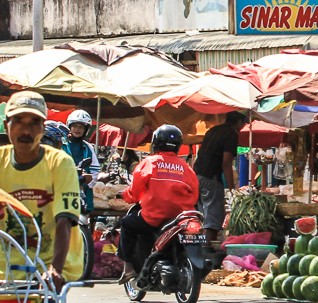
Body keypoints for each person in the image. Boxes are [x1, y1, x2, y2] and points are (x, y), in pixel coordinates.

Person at [0, 91, 83, 288]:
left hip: (46, 268)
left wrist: (55, 270)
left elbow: (64, 219)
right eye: (18, 122)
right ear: (7, 126)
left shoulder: (60, 163)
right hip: (1, 269)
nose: (26, 131)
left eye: (34, 122)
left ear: (43, 128)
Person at [117, 125, 199, 284]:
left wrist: (125, 196)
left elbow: (134, 192)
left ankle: (128, 269)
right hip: (182, 217)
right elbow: (194, 193)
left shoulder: (149, 162)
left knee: (126, 223)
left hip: (153, 217)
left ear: (155, 143)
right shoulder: (186, 167)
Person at [193, 111, 244, 246]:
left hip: (196, 175)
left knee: (200, 216)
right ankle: (206, 251)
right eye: (243, 123)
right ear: (239, 122)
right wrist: (232, 189)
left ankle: (199, 250)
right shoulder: (231, 134)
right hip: (210, 176)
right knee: (212, 219)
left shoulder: (213, 131)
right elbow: (226, 163)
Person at [62, 110, 100, 214]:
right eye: (75, 126)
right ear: (70, 127)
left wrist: (84, 187)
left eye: (81, 127)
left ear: (85, 130)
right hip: (62, 190)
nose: (77, 129)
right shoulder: (61, 144)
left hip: (83, 194)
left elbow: (95, 171)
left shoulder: (88, 148)